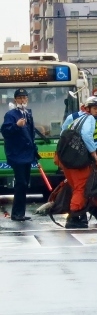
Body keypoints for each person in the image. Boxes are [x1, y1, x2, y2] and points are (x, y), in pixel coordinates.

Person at [62, 96, 97, 229]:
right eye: (95, 108)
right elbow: (67, 135)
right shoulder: (77, 117)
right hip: (82, 156)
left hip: (96, 153)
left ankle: (93, 209)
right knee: (83, 185)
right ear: (86, 108)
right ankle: (79, 214)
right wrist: (92, 153)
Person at [1, 88, 39, 222]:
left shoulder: (28, 114)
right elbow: (5, 131)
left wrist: (35, 151)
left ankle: (20, 212)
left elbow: (30, 135)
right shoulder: (11, 115)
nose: (23, 100)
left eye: (24, 98)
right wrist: (17, 126)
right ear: (15, 100)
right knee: (21, 183)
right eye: (20, 98)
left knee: (24, 183)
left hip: (27, 154)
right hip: (17, 155)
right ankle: (17, 213)